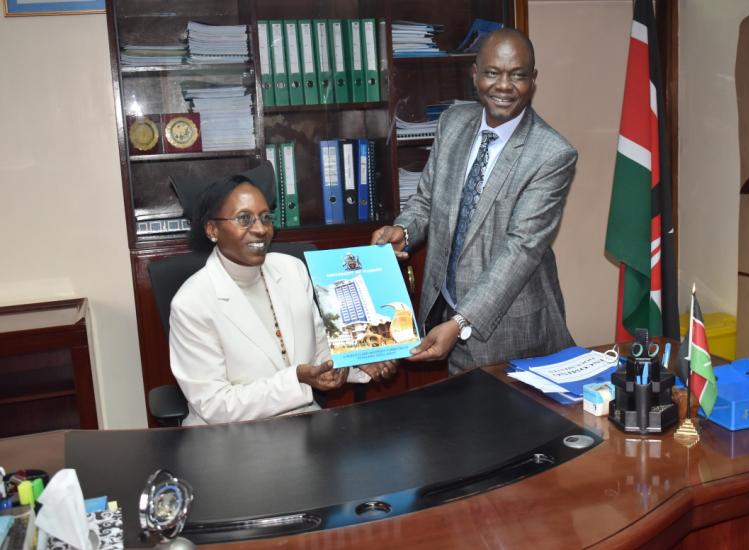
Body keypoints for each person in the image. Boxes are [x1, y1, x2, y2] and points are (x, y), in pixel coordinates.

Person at [372, 28, 577, 374]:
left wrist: (461, 322)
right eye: (492, 73)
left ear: (533, 80)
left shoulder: (552, 154)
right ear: (475, 74)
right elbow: (427, 200)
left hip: (512, 335)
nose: (504, 86)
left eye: (518, 75)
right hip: (443, 310)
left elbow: (521, 250)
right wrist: (403, 232)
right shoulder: (453, 122)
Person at [170, 170, 396, 425]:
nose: (260, 229)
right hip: (231, 433)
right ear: (213, 229)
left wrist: (356, 362)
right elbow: (215, 405)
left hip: (303, 422)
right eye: (244, 219)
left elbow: (320, 345)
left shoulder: (292, 269)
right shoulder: (190, 303)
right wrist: (296, 379)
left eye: (265, 218)